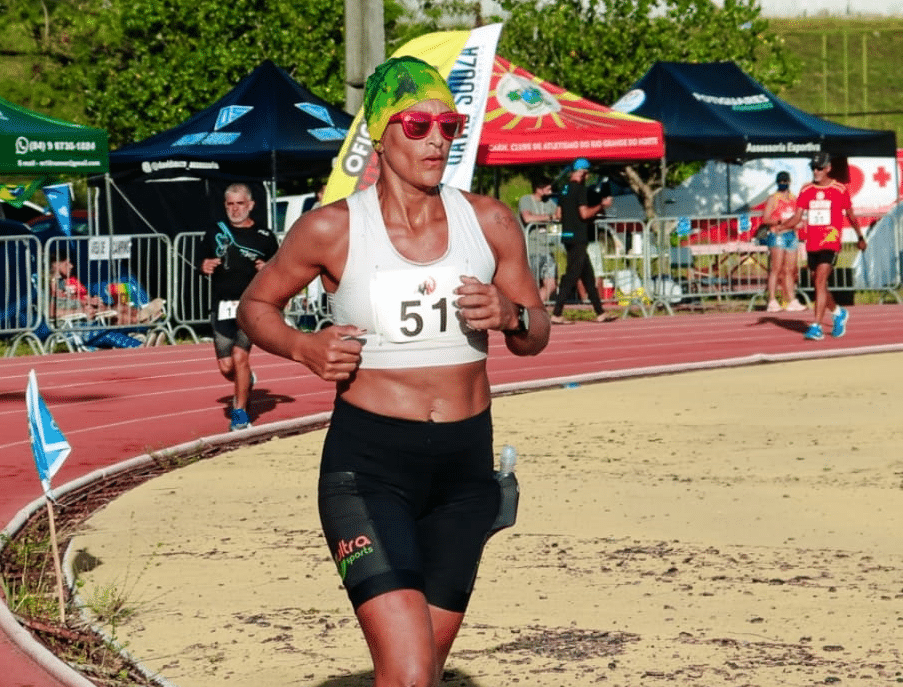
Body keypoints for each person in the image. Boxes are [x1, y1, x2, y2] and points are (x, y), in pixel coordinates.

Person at [237, 56, 550, 687]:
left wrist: (510, 314)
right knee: (408, 673)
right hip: (370, 469)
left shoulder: (488, 221)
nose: (436, 137)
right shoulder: (333, 227)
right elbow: (255, 305)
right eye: (416, 124)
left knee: (420, 673)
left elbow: (536, 334)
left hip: (465, 472)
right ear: (381, 132)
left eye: (449, 124)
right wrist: (305, 348)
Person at [199, 183, 278, 431]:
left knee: (240, 356)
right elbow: (200, 260)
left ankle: (240, 413)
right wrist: (205, 265)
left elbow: (280, 268)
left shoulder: (264, 236)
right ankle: (246, 381)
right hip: (222, 304)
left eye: (240, 203)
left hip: (251, 306)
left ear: (251, 205)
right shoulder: (214, 231)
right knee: (227, 367)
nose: (235, 209)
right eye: (230, 204)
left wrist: (267, 268)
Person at [774, 152, 866, 340]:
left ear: (828, 168)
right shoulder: (807, 190)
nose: (816, 171)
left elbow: (851, 215)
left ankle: (815, 326)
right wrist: (780, 227)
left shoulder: (839, 189)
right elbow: (797, 217)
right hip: (812, 243)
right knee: (819, 284)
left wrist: (860, 237)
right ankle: (838, 312)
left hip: (830, 242)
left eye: (819, 168)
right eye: (813, 168)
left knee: (820, 282)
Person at [550, 158, 613, 323]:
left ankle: (600, 312)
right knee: (571, 275)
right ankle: (556, 313)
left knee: (588, 277)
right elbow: (584, 214)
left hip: (567, 236)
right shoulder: (580, 190)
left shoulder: (564, 189)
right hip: (578, 236)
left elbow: (558, 214)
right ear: (583, 173)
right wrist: (601, 205)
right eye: (586, 173)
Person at [761, 171, 806, 313]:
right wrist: (780, 221)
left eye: (785, 181)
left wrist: (798, 223)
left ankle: (791, 300)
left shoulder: (794, 198)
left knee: (790, 270)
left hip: (791, 235)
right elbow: (766, 219)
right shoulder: (773, 198)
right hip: (777, 235)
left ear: (789, 182)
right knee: (776, 269)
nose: (783, 184)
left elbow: (798, 216)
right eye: (780, 182)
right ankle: (772, 300)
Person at [518, 176, 560, 302]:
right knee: (532, 285)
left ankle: (534, 307)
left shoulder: (550, 202)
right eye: (547, 186)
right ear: (539, 188)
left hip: (546, 248)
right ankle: (530, 310)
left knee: (551, 285)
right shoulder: (526, 200)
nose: (550, 188)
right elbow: (527, 218)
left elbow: (558, 216)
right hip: (531, 249)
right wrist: (550, 217)